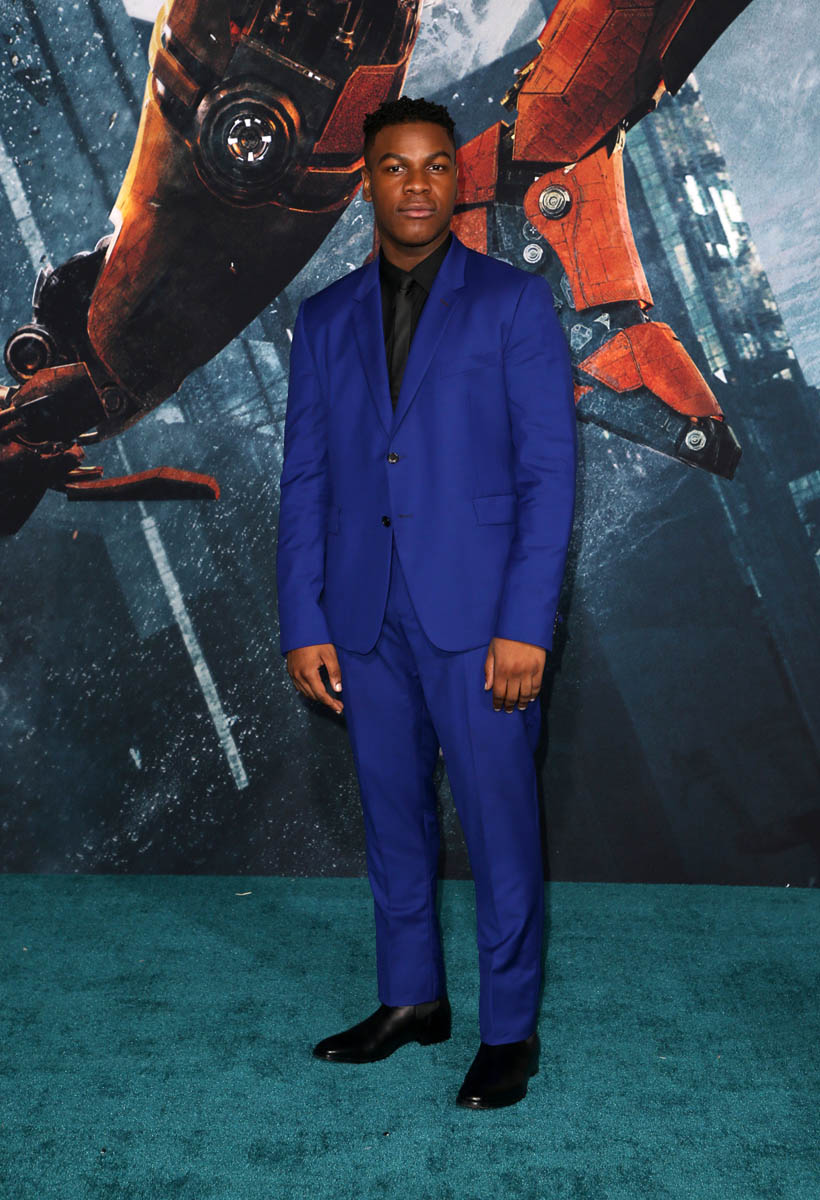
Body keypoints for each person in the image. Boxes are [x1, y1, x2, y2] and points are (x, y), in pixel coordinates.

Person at [276, 95, 577, 1109]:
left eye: (435, 165)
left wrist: (525, 626)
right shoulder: (323, 320)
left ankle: (509, 1031)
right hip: (363, 616)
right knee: (391, 817)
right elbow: (305, 481)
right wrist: (304, 619)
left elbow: (548, 477)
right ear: (367, 182)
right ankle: (411, 999)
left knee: (500, 828)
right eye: (395, 166)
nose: (416, 184)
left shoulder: (513, 304)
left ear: (459, 177)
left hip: (482, 619)